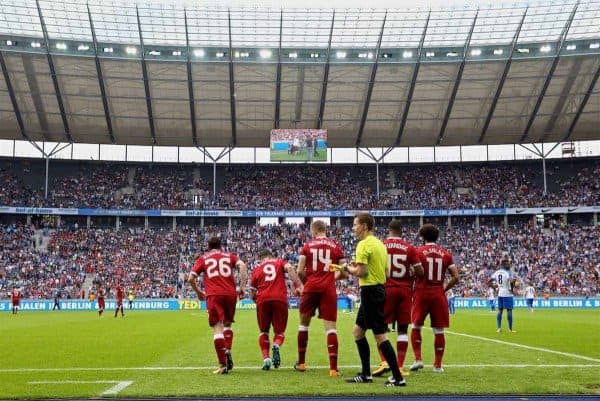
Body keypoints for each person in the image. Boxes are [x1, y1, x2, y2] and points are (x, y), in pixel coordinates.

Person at [344, 213, 406, 387]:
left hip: (370, 291)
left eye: (355, 224)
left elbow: (361, 272)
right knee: (358, 332)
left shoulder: (363, 244)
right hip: (378, 289)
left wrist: (347, 268)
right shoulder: (380, 244)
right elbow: (386, 272)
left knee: (380, 336)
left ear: (364, 226)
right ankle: (366, 374)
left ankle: (398, 377)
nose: (353, 228)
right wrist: (358, 268)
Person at [188, 236, 248, 375]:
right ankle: (227, 350)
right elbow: (243, 266)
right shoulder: (230, 256)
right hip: (230, 294)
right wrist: (242, 287)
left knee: (217, 328)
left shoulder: (203, 258)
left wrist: (198, 292)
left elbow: (191, 278)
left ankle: (222, 364)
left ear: (209, 247)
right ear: (221, 246)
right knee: (227, 325)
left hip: (214, 295)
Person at [295, 220, 347, 377]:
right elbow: (344, 271)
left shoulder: (307, 246)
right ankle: (332, 369)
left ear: (314, 230)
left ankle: (302, 363)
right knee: (331, 328)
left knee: (304, 325)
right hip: (328, 289)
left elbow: (299, 271)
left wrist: (307, 284)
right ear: (325, 230)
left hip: (311, 288)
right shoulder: (335, 246)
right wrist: (331, 278)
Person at [373, 220, 423, 378]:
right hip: (404, 290)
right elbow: (420, 271)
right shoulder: (410, 248)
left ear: (389, 230)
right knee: (402, 329)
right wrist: (413, 272)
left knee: (380, 328)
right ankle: (400, 366)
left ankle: (384, 362)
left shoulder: (381, 245)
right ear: (402, 232)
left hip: (385, 289)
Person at [410, 224, 459, 373]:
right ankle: (438, 365)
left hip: (421, 292)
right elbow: (456, 276)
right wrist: (443, 289)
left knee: (416, 326)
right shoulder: (445, 254)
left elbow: (413, 273)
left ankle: (418, 359)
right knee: (439, 330)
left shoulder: (418, 252)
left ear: (423, 237)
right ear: (437, 237)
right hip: (438, 292)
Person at [250, 249, 302, 371]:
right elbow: (289, 268)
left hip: (262, 300)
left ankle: (266, 359)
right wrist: (298, 285)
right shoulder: (279, 262)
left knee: (264, 332)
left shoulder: (257, 269)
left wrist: (258, 302)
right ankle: (276, 345)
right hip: (280, 299)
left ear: (262, 258)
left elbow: (252, 293)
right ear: (271, 256)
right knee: (279, 333)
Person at [489, 252, 518, 333]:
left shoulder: (497, 272)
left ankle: (499, 328)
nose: (509, 265)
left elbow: (488, 281)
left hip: (500, 293)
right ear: (504, 265)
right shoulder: (507, 272)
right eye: (508, 264)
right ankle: (510, 329)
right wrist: (512, 288)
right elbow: (511, 282)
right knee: (509, 310)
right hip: (507, 293)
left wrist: (495, 287)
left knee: (500, 310)